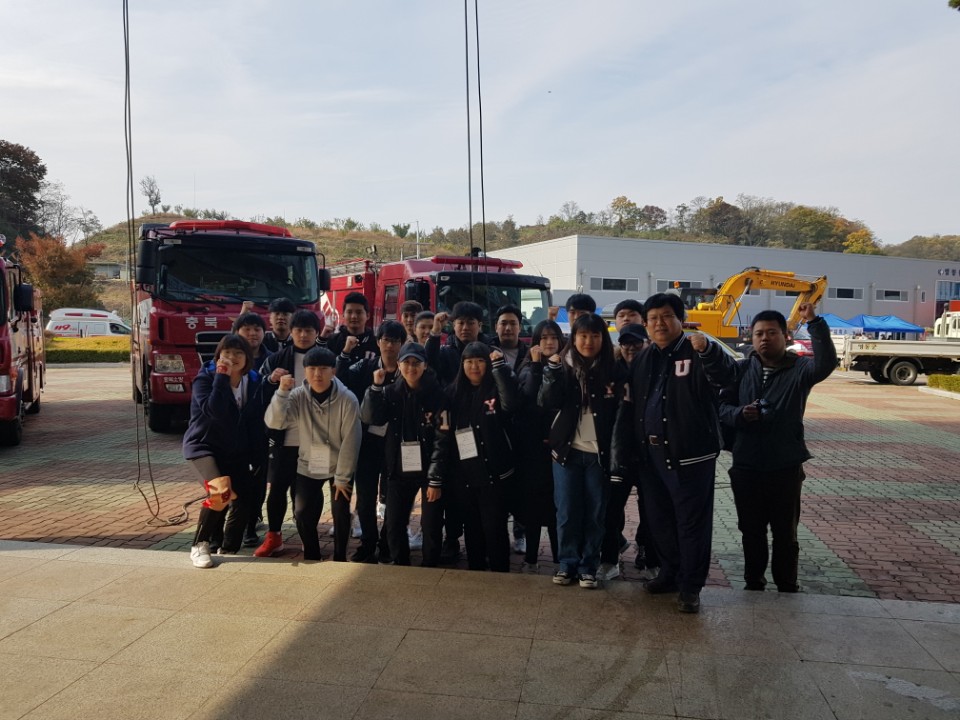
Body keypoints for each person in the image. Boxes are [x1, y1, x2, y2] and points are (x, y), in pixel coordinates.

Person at [612, 293, 736, 613]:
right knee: (659, 521)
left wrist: (709, 351)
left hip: (690, 457)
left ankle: (690, 587)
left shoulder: (696, 350)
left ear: (681, 319)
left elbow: (727, 377)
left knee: (691, 524)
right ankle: (669, 573)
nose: (659, 323)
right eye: (653, 318)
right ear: (645, 324)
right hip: (650, 457)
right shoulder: (644, 358)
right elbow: (632, 406)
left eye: (667, 316)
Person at [719, 304, 835, 593]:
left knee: (785, 532)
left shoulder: (800, 369)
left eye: (772, 333)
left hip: (785, 464)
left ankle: (787, 584)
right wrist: (740, 414)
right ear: (751, 338)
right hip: (746, 464)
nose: (765, 339)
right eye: (759, 333)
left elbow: (826, 363)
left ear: (786, 336)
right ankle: (753, 582)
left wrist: (814, 323)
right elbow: (721, 408)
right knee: (751, 530)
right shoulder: (741, 369)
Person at [539, 313, 622, 589]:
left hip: (599, 455)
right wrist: (551, 371)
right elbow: (546, 401)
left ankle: (588, 566)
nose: (588, 341)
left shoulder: (613, 369)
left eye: (595, 335)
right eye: (583, 335)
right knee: (566, 511)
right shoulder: (562, 367)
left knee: (596, 513)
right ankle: (567, 563)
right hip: (567, 452)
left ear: (603, 339)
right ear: (573, 339)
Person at [264, 347, 362, 561]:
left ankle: (339, 558)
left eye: (324, 368)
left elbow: (351, 440)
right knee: (301, 512)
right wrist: (281, 393)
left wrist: (343, 477)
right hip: (308, 462)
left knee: (340, 511)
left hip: (339, 463)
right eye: (312, 368)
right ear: (305, 371)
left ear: (333, 371)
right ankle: (312, 553)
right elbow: (275, 422)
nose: (317, 374)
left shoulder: (348, 399)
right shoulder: (297, 395)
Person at [428, 342, 519, 572]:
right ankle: (476, 572)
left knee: (495, 527)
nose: (474, 366)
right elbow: (442, 435)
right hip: (464, 476)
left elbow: (511, 404)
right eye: (469, 361)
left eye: (480, 361)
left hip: (494, 474)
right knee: (472, 528)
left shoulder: (496, 389)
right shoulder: (452, 393)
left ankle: (500, 573)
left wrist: (500, 368)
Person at [183, 334, 268, 568]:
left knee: (246, 496)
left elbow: (254, 422)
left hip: (234, 449)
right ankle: (200, 545)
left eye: (238, 353)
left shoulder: (253, 381)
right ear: (218, 356)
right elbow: (215, 412)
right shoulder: (205, 379)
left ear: (247, 358)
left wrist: (258, 457)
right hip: (202, 446)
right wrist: (221, 377)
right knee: (220, 491)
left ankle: (229, 547)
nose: (232, 357)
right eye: (227, 353)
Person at [362, 343, 446, 566]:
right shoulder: (390, 392)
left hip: (429, 469)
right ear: (399, 365)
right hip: (399, 468)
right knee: (394, 524)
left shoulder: (437, 395)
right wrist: (375, 387)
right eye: (406, 362)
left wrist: (436, 478)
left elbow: (442, 439)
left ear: (425, 365)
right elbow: (371, 418)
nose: (411, 367)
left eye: (416, 362)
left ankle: (430, 566)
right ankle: (401, 565)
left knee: (431, 525)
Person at [253, 310, 322, 558]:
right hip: (284, 438)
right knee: (277, 489)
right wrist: (270, 380)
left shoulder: (326, 359)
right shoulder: (276, 360)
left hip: (315, 439)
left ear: (317, 333)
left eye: (308, 330)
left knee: (310, 490)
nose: (303, 335)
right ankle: (274, 537)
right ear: (291, 332)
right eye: (298, 330)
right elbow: (258, 395)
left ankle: (307, 534)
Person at [337, 319, 407, 563]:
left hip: (396, 444)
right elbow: (341, 378)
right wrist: (345, 353)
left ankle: (387, 543)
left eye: (395, 341)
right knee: (365, 497)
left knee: (392, 497)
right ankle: (368, 544)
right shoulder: (365, 367)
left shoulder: (407, 370)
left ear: (402, 344)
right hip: (367, 443)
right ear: (378, 342)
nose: (390, 346)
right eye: (386, 340)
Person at [599, 323, 659, 581]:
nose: (631, 348)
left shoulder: (656, 370)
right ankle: (609, 560)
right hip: (619, 452)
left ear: (646, 343)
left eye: (636, 343)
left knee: (651, 512)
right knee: (611, 511)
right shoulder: (612, 372)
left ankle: (652, 561)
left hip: (649, 455)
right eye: (626, 343)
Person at [516, 319, 563, 571]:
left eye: (553, 337)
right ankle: (531, 558)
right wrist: (536, 365)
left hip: (559, 447)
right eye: (543, 338)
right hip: (533, 449)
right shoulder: (527, 368)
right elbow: (531, 401)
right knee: (533, 507)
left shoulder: (567, 366)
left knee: (558, 507)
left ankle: (559, 558)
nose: (549, 342)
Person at [489, 304, 530, 554]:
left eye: (512, 323)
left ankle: (520, 532)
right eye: (503, 323)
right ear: (495, 327)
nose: (507, 328)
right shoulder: (487, 351)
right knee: (498, 483)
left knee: (522, 482)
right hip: (495, 425)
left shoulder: (529, 353)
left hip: (523, 428)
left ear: (519, 327)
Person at [230, 311, 273, 547]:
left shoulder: (272, 358)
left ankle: (251, 523)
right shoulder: (226, 361)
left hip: (260, 431)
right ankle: (229, 527)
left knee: (258, 480)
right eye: (246, 329)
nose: (252, 333)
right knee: (234, 480)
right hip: (231, 433)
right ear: (237, 332)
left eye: (257, 329)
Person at [425, 301, 487, 387]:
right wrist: (435, 331)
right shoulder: (445, 352)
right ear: (454, 325)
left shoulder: (490, 351)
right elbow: (429, 363)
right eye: (461, 323)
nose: (465, 328)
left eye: (470, 323)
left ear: (479, 326)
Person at [323, 292, 379, 363]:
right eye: (349, 312)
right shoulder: (333, 341)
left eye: (359, 312)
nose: (354, 316)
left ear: (367, 316)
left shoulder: (377, 343)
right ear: (343, 315)